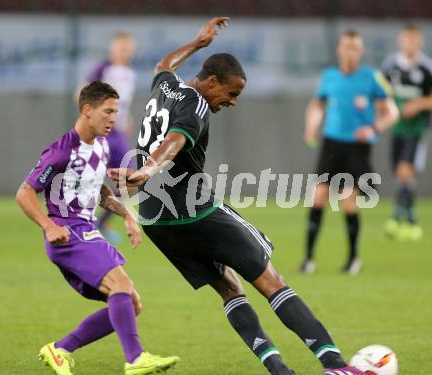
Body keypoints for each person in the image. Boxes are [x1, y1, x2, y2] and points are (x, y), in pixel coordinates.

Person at [109, 17, 366, 375]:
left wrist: (198, 43)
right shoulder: (196, 104)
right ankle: (335, 365)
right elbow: (175, 142)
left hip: (156, 219)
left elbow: (163, 64)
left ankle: (280, 371)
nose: (233, 102)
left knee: (230, 289)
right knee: (271, 280)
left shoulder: (166, 86)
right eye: (231, 93)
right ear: (211, 82)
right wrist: (145, 171)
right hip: (192, 209)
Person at [16, 81, 179, 375]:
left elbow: (98, 191)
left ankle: (61, 349)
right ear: (87, 110)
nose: (113, 118)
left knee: (132, 303)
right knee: (122, 287)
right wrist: (49, 226)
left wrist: (127, 215)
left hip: (85, 230)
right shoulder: (61, 151)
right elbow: (24, 193)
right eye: (108, 111)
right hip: (68, 233)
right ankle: (136, 358)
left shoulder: (101, 145)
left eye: (116, 112)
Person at [301, 30, 399, 275]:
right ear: (339, 49)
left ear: (362, 51)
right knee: (319, 197)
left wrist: (374, 127)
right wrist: (312, 125)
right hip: (331, 143)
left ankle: (353, 259)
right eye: (347, 46)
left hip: (357, 146)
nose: (351, 52)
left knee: (348, 200)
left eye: (355, 47)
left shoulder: (372, 78)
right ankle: (309, 259)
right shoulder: (329, 77)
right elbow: (317, 105)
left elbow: (392, 111)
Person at [80, 32, 137, 241]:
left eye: (128, 48)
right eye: (121, 47)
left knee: (132, 178)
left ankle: (101, 224)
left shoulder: (129, 73)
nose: (125, 52)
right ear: (113, 49)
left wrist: (126, 118)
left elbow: (121, 103)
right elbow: (81, 91)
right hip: (102, 134)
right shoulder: (104, 69)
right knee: (88, 176)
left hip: (119, 134)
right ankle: (84, 222)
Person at [381, 24, 432, 241]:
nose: (410, 44)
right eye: (406, 40)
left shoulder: (427, 68)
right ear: (400, 42)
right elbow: (381, 90)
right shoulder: (391, 65)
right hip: (397, 128)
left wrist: (418, 104)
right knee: (402, 173)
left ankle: (397, 217)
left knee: (405, 170)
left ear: (419, 42)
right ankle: (409, 218)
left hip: (418, 129)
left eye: (414, 40)